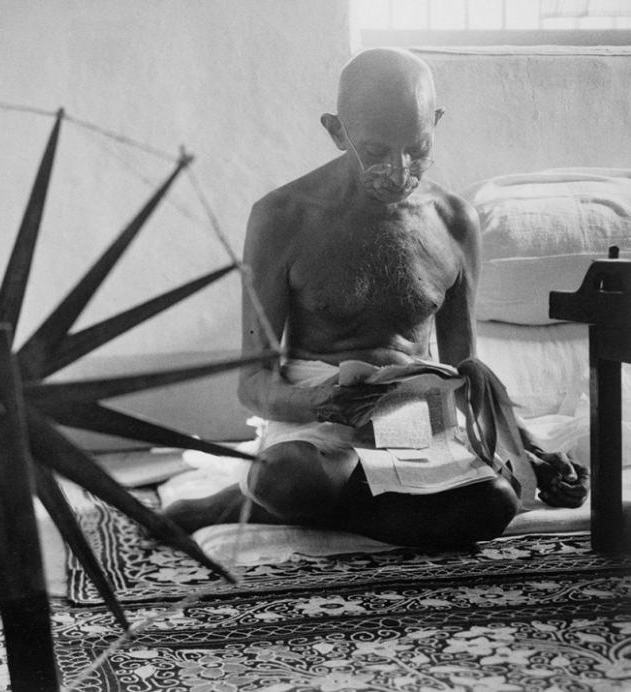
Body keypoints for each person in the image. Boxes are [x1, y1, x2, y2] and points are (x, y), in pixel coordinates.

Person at [165, 48, 588, 548]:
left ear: (436, 122)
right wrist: (321, 402)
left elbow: (465, 366)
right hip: (320, 420)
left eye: (418, 147)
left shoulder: (454, 222)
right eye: (376, 151)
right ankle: (289, 496)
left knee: (499, 502)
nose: (399, 168)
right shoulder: (282, 217)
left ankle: (257, 505)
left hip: (415, 416)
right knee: (288, 476)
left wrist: (528, 444)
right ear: (337, 131)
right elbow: (252, 383)